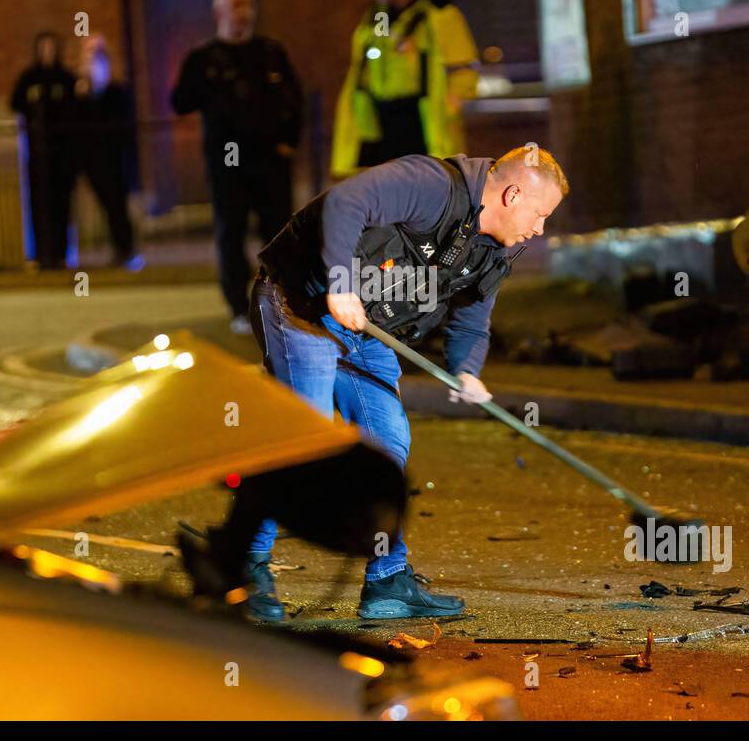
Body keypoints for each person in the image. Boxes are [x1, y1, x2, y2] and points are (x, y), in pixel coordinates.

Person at [205, 146, 568, 623]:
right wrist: (339, 284)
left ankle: (387, 582)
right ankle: (243, 567)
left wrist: (467, 370)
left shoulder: (493, 249)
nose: (539, 229)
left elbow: (472, 320)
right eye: (539, 214)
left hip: (366, 328)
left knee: (389, 441)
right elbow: (344, 204)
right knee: (304, 440)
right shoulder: (431, 184)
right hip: (302, 306)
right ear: (513, 193)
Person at [171, 0, 302, 334]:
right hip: (227, 161)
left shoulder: (271, 52)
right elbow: (180, 101)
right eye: (236, 5)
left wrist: (289, 141)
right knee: (231, 231)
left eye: (248, 4)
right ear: (219, 12)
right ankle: (238, 306)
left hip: (270, 158)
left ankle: (282, 301)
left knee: (278, 232)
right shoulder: (204, 58)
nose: (244, 11)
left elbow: (295, 99)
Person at [331, 0, 479, 177]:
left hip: (421, 116)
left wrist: (454, 101)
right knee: (388, 183)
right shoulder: (379, 14)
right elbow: (369, 54)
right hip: (381, 119)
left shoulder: (437, 13)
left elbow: (462, 64)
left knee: (427, 179)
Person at [63, 34, 142, 270]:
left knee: (118, 207)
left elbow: (122, 124)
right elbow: (76, 122)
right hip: (93, 160)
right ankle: (119, 248)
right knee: (107, 206)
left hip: (115, 159)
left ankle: (126, 249)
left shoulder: (116, 92)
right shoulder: (80, 94)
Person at [10, 31, 76, 269]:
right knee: (39, 204)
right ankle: (41, 254)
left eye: (51, 47)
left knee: (61, 205)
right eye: (43, 47)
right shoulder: (29, 78)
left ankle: (61, 253)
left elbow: (75, 108)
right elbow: (15, 103)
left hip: (61, 153)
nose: (47, 52)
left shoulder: (65, 78)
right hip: (37, 153)